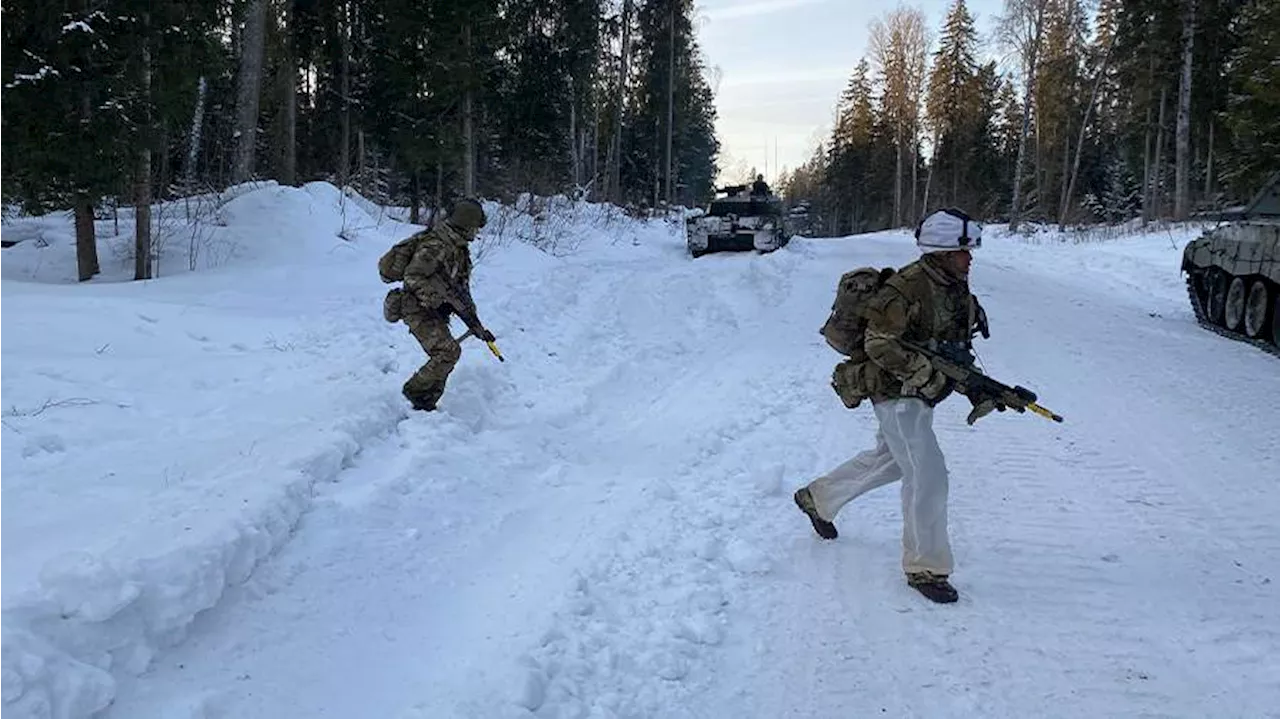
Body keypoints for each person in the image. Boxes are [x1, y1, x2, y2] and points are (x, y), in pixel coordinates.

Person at [793, 208, 996, 604]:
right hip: (895, 392)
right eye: (963, 251)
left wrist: (978, 387)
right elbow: (878, 345)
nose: (970, 258)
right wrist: (926, 376)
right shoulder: (905, 290)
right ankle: (926, 566)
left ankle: (819, 498)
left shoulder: (954, 288)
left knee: (891, 460)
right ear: (941, 251)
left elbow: (953, 350)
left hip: (916, 392)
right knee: (927, 473)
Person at [396, 198, 495, 411]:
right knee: (447, 352)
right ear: (467, 224)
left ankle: (426, 402)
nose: (477, 233)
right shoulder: (436, 245)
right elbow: (412, 277)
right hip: (415, 306)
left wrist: (476, 324)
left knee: (446, 353)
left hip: (433, 308)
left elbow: (461, 291)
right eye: (476, 227)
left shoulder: (458, 249)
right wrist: (434, 296)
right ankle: (416, 393)